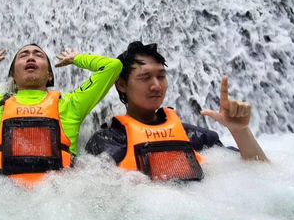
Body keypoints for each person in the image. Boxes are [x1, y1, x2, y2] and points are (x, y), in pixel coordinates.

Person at [0, 44, 122, 185]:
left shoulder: (71, 103)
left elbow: (112, 66)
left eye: (38, 55)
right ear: (13, 74)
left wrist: (76, 58)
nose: (30, 57)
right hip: (6, 203)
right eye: (23, 55)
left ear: (50, 75)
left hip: (59, 205)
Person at [85, 41, 267, 181]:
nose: (156, 85)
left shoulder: (195, 137)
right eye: (145, 77)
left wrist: (240, 130)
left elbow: (259, 175)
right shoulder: (107, 142)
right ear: (122, 85)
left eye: (161, 77)